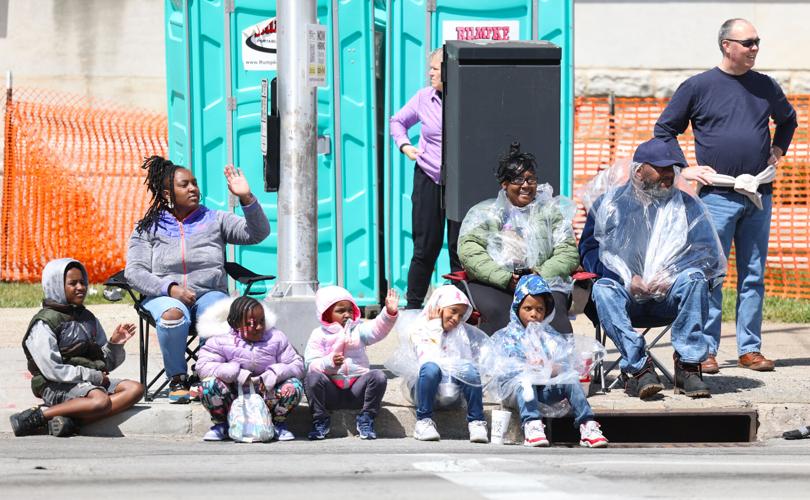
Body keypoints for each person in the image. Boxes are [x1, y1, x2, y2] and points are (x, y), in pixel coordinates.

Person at [654, 18, 798, 373]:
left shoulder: (765, 86)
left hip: (757, 196)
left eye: (757, 42)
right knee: (711, 274)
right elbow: (664, 130)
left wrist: (779, 148)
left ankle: (750, 349)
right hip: (716, 196)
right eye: (748, 42)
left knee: (753, 274)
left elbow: (788, 119)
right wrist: (684, 168)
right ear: (726, 45)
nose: (754, 48)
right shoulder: (699, 86)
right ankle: (705, 350)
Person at [579, 138, 726, 400]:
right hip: (625, 301)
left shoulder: (687, 206)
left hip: (668, 298)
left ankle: (688, 367)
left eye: (674, 168)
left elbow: (706, 254)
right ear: (639, 170)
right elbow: (589, 250)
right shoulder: (609, 204)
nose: (669, 175)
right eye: (662, 168)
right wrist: (624, 278)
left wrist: (671, 275)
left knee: (694, 278)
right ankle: (638, 369)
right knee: (602, 288)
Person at [125, 156, 270, 403]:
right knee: (173, 314)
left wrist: (246, 197)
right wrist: (169, 288)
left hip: (208, 293)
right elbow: (134, 272)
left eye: (194, 183)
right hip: (163, 297)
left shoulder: (215, 219)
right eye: (185, 185)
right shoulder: (148, 226)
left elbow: (258, 233)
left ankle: (206, 373)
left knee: (217, 310)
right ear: (167, 192)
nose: (193, 188)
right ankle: (178, 379)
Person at [10, 258, 143, 437]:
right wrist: (93, 376)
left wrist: (115, 344)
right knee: (100, 401)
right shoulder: (44, 323)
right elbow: (52, 370)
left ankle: (69, 422)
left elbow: (105, 365)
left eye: (83, 282)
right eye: (73, 283)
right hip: (56, 385)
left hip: (89, 382)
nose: (81, 287)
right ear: (56, 286)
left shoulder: (88, 318)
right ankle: (36, 417)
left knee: (135, 389)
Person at [458, 142, 579, 334]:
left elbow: (568, 252)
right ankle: (499, 363)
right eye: (517, 180)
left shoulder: (549, 213)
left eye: (530, 180)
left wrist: (538, 274)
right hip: (496, 283)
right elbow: (469, 251)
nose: (525, 186)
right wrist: (505, 278)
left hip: (542, 281)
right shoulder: (483, 213)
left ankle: (552, 363)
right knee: (500, 313)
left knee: (555, 320)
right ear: (504, 184)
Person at [487, 275, 608, 448]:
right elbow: (503, 369)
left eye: (540, 309)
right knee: (525, 384)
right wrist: (527, 367)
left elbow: (563, 362)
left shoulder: (549, 336)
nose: (534, 314)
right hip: (518, 392)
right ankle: (532, 425)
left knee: (571, 379)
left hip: (544, 390)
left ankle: (587, 424)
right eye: (527, 308)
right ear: (517, 307)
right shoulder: (508, 337)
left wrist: (555, 368)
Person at [390, 48, 462, 309]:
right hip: (429, 177)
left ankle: (461, 306)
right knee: (425, 246)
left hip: (460, 184)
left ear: (449, 69)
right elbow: (397, 122)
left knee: (460, 250)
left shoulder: (468, 96)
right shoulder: (424, 97)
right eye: (429, 67)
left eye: (434, 68)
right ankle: (414, 304)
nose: (429, 72)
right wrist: (405, 145)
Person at [194, 296, 304, 442]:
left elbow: (297, 365)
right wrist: (236, 373)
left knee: (294, 386)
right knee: (208, 386)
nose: (259, 327)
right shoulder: (219, 340)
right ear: (235, 324)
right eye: (251, 324)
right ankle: (222, 425)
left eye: (262, 321)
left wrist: (274, 374)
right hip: (234, 395)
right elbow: (203, 367)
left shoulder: (276, 337)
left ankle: (277, 424)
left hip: (267, 395)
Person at [304, 286, 399, 440]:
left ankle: (366, 418)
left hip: (357, 390)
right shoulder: (318, 334)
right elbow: (310, 363)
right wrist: (329, 362)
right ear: (327, 313)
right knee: (311, 378)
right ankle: (320, 420)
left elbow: (377, 329)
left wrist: (389, 313)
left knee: (378, 376)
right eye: (340, 311)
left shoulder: (358, 330)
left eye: (350, 309)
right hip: (331, 392)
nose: (347, 314)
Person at [397, 285, 489, 443]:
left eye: (460, 315)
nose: (456, 318)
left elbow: (465, 364)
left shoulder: (459, 332)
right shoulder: (419, 328)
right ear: (438, 307)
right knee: (431, 368)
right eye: (452, 311)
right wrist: (435, 328)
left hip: (451, 391)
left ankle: (476, 421)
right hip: (424, 388)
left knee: (470, 369)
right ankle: (424, 421)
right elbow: (427, 359)